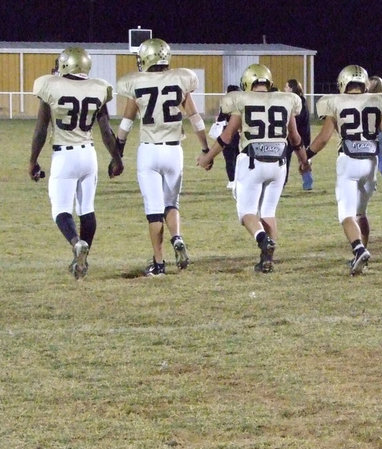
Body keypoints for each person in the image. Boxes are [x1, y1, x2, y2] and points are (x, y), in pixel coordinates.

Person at [197, 64, 310, 273]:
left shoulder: (243, 101)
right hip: (279, 163)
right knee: (268, 212)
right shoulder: (285, 100)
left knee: (247, 213)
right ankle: (267, 260)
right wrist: (304, 162)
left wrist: (207, 157)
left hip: (253, 161)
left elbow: (227, 136)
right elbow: (295, 138)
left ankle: (262, 239)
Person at [116, 38, 210, 276]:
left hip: (149, 150)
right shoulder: (180, 80)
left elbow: (125, 124)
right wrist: (206, 148)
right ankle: (176, 237)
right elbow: (196, 119)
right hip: (173, 150)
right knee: (172, 203)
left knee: (153, 209)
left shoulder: (136, 83)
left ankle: (159, 263)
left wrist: (117, 154)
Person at [28, 46, 123, 280]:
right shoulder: (98, 88)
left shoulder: (50, 86)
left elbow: (41, 129)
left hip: (64, 155)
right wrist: (117, 158)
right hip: (88, 154)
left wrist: (32, 161)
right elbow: (106, 132)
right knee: (87, 209)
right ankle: (83, 261)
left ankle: (76, 243)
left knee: (61, 210)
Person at [306, 65, 382, 275]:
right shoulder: (378, 101)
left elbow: (323, 138)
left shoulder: (335, 103)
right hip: (370, 162)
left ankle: (359, 249)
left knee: (346, 214)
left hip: (348, 160)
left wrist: (305, 156)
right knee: (361, 213)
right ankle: (361, 251)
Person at [283, 79, 314, 190]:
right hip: (302, 135)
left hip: (295, 135)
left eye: (286, 87)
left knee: (287, 159)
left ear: (291, 89)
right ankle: (307, 182)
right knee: (303, 160)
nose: (284, 89)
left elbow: (297, 120)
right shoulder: (302, 100)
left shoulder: (295, 102)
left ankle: (284, 182)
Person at [211, 84, 241, 192]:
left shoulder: (226, 103)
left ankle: (232, 181)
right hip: (241, 133)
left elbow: (220, 118)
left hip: (228, 132)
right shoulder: (242, 103)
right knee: (239, 158)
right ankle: (239, 179)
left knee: (229, 159)